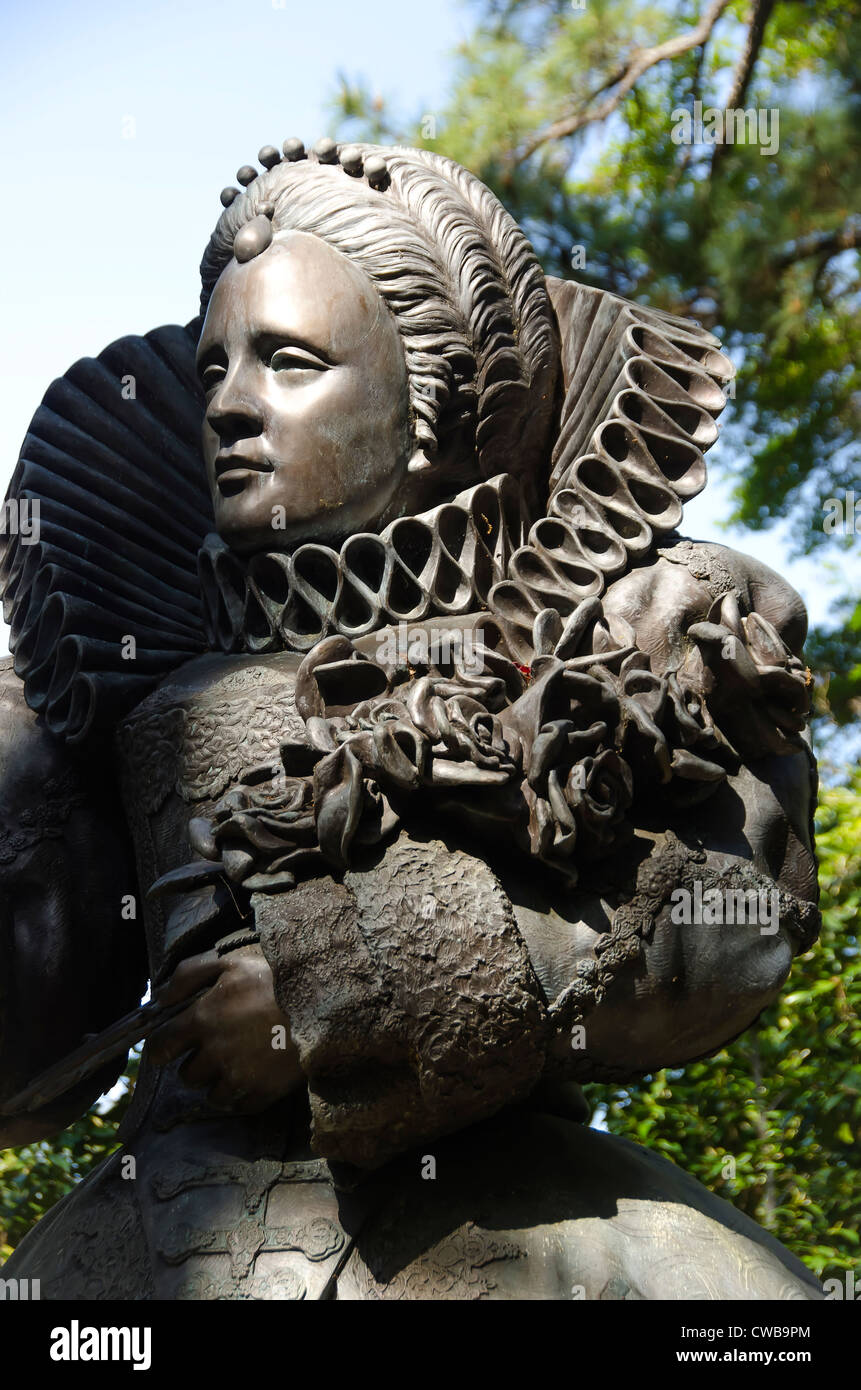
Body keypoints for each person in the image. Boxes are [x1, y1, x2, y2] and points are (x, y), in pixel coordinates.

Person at [0, 141, 821, 1299]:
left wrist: (322, 998)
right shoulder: (118, 675)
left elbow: (726, 919)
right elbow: (35, 1035)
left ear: (427, 405)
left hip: (516, 1202)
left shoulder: (628, 627)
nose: (231, 403)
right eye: (215, 367)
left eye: (289, 362)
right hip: (166, 1231)